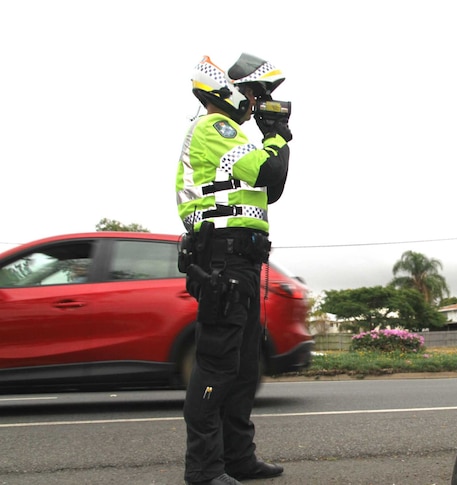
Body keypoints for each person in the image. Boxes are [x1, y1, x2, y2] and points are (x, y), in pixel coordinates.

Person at [175, 53, 292, 485]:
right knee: (217, 364)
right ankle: (204, 470)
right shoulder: (214, 127)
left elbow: (269, 187)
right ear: (222, 90)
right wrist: (277, 136)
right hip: (224, 260)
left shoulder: (229, 136)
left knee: (243, 367)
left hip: (240, 260)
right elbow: (267, 171)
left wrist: (273, 137)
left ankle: (238, 458)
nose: (253, 102)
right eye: (249, 93)